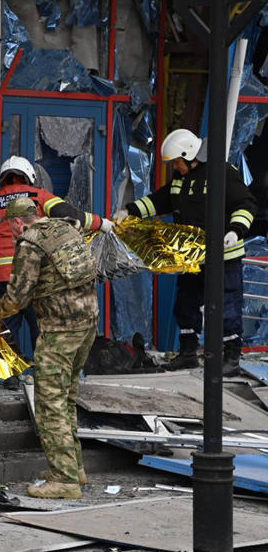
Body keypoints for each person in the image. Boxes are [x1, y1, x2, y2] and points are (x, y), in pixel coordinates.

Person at [113, 129, 257, 375]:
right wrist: (130, 211)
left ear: (189, 155)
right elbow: (159, 201)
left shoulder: (221, 174)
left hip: (223, 257)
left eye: (176, 162)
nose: (175, 167)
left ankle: (230, 358)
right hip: (192, 257)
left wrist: (235, 231)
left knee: (226, 306)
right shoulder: (181, 181)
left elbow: (245, 204)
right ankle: (188, 353)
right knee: (186, 305)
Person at [0, 197, 98, 499]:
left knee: (49, 404)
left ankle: (65, 481)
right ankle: (74, 468)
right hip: (87, 324)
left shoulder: (30, 243)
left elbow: (18, 296)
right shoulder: (65, 229)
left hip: (60, 330)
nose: (11, 232)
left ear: (17, 222)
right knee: (67, 397)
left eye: (10, 226)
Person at [0, 156, 113, 390]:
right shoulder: (37, 195)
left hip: (1, 275)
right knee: (41, 323)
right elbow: (71, 214)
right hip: (35, 272)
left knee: (7, 325)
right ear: (29, 175)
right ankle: (46, 371)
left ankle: (11, 376)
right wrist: (102, 223)